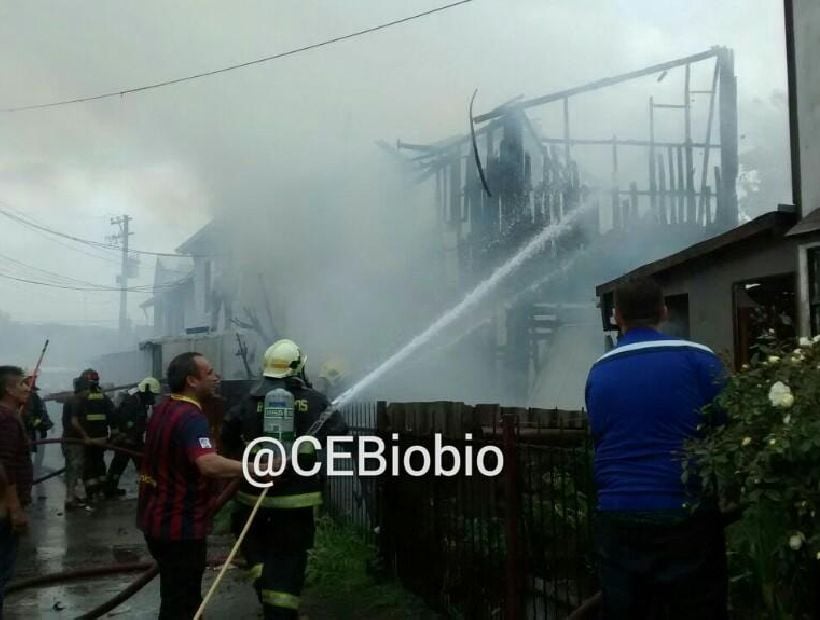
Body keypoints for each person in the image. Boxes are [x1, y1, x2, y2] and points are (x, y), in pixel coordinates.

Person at [585, 276, 728, 619]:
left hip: (618, 516)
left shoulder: (599, 372)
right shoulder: (699, 360)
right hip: (686, 513)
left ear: (617, 316)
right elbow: (729, 424)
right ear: (664, 312)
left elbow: (600, 436)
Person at [222, 338, 348, 619]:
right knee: (289, 563)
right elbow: (341, 434)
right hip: (294, 505)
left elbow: (227, 436)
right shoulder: (315, 401)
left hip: (252, 500)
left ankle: (267, 592)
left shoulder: (250, 401)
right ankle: (280, 612)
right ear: (298, 368)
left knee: (257, 552)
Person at [137, 352, 245, 620]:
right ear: (191, 381)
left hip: (155, 522)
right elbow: (207, 463)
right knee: (183, 602)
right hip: (180, 527)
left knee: (174, 596)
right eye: (209, 372)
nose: (216, 377)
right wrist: (253, 468)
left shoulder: (163, 409)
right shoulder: (191, 417)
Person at [0, 366, 33, 617]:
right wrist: (15, 508)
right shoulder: (7, 418)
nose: (27, 387)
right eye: (22, 383)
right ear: (8, 389)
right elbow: (4, 465)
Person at [104, 376, 159, 498]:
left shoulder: (140, 402)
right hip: (126, 441)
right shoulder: (132, 402)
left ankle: (148, 488)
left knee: (143, 465)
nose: (153, 398)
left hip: (135, 439)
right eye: (152, 394)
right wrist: (124, 436)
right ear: (146, 390)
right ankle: (109, 489)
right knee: (119, 465)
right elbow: (122, 420)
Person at [71, 369, 113, 503]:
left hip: (87, 439)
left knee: (88, 466)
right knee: (99, 463)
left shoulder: (81, 398)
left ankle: (92, 494)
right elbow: (113, 417)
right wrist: (113, 436)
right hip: (101, 438)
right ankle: (101, 491)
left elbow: (74, 420)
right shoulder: (104, 397)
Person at [62, 372, 90, 511]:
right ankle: (70, 499)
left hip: (69, 441)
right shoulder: (76, 401)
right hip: (74, 442)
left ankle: (72, 497)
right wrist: (85, 436)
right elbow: (74, 421)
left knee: (72, 470)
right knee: (74, 469)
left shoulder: (71, 400)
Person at [22, 378, 53, 500]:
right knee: (27, 457)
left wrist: (45, 424)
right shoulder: (24, 402)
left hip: (38, 432)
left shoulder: (38, 400)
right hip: (30, 433)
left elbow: (43, 415)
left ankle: (36, 475)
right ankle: (28, 484)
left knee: (39, 455)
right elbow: (26, 416)